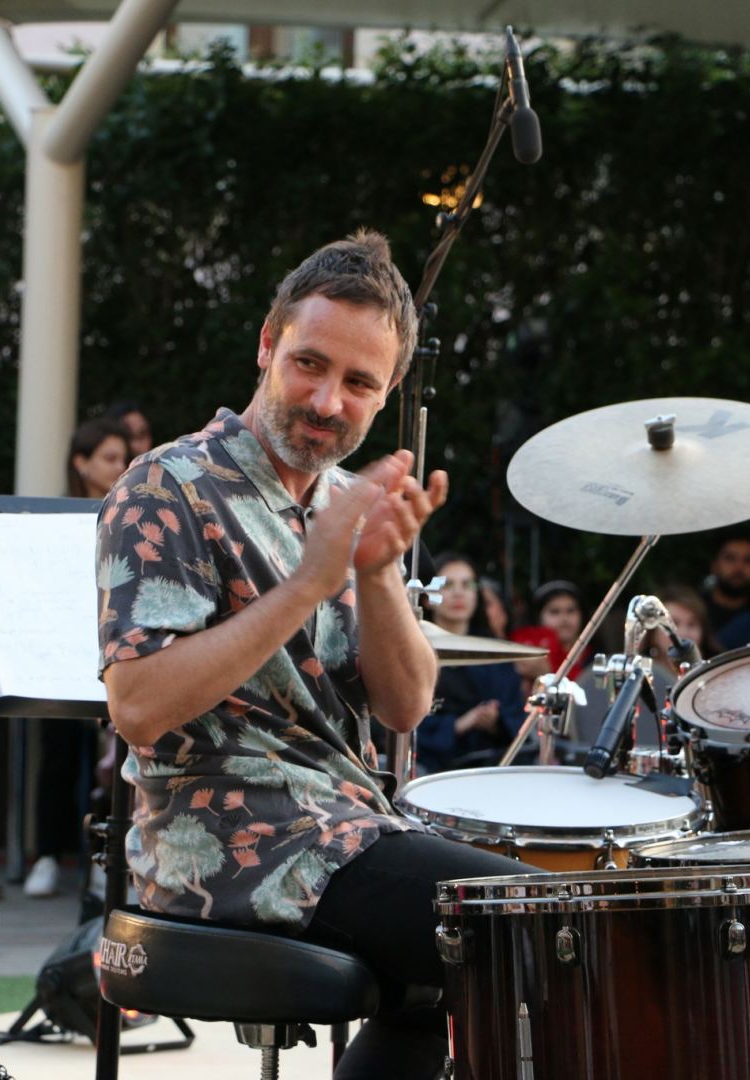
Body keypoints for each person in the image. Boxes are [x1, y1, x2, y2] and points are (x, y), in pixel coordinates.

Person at [96, 231, 530, 1080]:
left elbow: (406, 707)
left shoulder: (344, 502)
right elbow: (138, 706)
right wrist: (308, 579)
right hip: (225, 841)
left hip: (348, 826)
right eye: (309, 365)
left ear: (389, 392)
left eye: (359, 383)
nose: (327, 400)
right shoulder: (166, 486)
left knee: (498, 956)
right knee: (528, 928)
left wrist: (373, 575)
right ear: (266, 345)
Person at [26, 417, 132, 898]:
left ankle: (102, 862)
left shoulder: (135, 512)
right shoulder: (58, 517)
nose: (120, 467)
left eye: (124, 457)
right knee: (59, 758)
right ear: (81, 462)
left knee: (112, 763)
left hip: (115, 653)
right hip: (62, 649)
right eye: (110, 457)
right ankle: (47, 855)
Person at [415, 554, 525, 773]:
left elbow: (516, 718)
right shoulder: (412, 650)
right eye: (447, 585)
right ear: (427, 598)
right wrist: (457, 725)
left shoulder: (497, 653)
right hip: (428, 769)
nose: (459, 593)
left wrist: (495, 721)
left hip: (489, 770)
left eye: (467, 584)